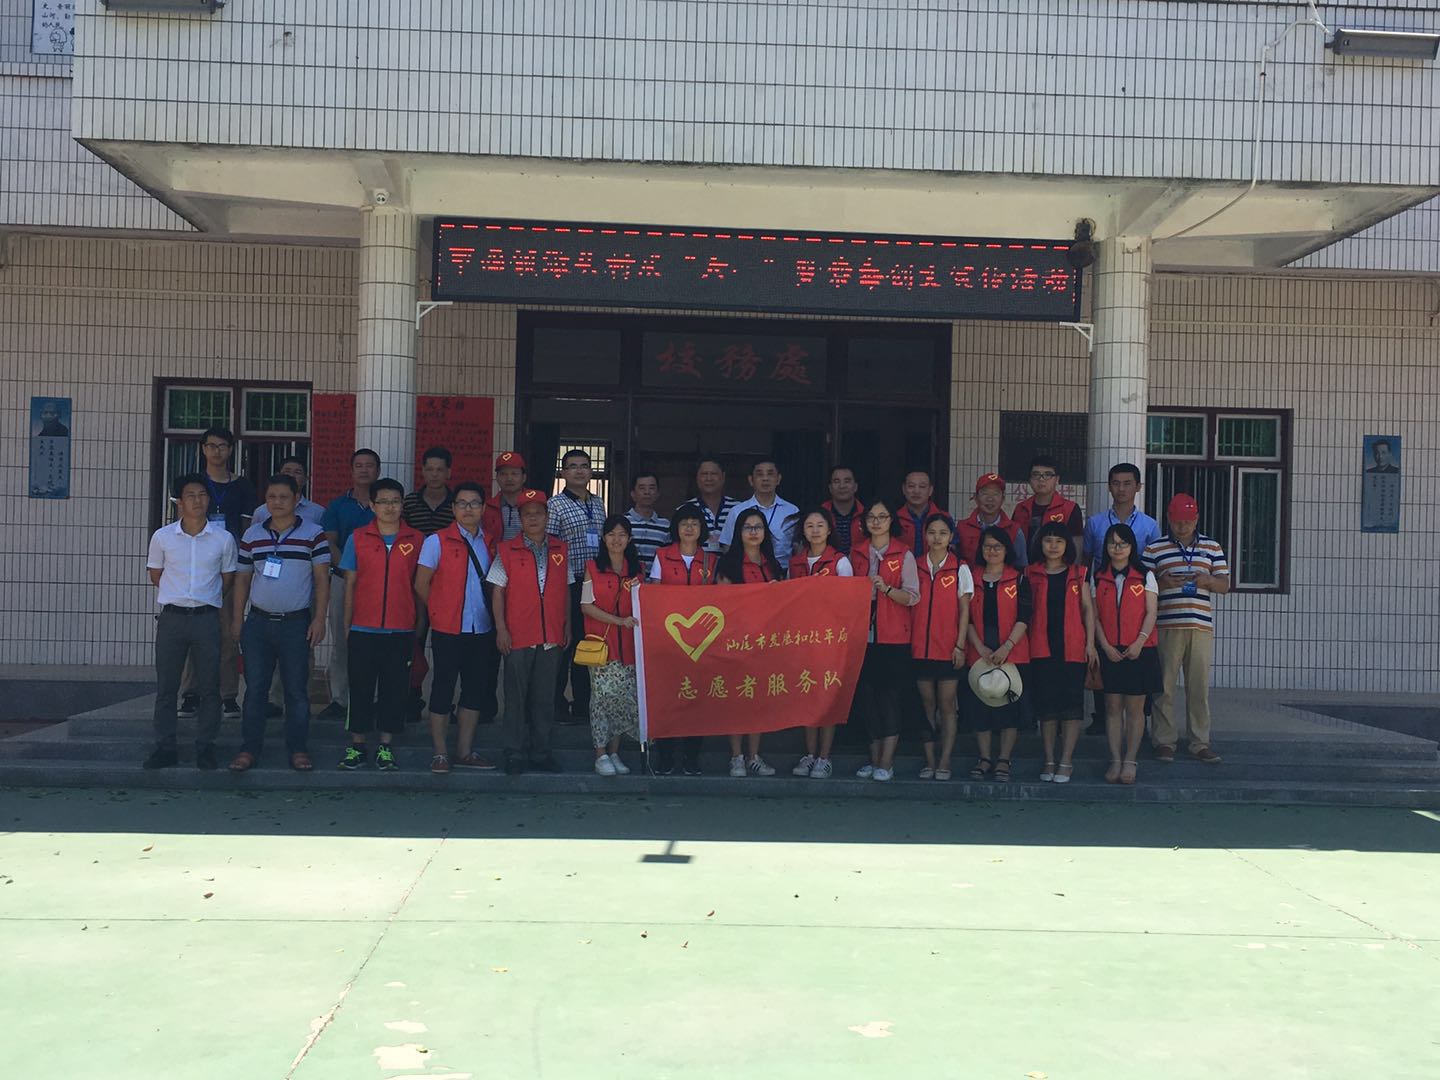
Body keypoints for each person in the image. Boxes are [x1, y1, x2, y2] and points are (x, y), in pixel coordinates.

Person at [228, 473, 330, 772]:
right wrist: (237, 620)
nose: (277, 502)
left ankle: (298, 749)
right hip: (258, 623)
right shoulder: (252, 535)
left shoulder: (314, 533)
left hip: (295, 624)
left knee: (296, 691)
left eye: (284, 497)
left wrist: (319, 619)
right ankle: (249, 749)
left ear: (297, 499)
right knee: (255, 691)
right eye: (271, 497)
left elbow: (322, 580)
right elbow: (242, 580)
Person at [143, 473, 238, 770]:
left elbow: (227, 579)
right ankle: (165, 746)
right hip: (172, 618)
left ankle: (206, 746)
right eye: (191, 495)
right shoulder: (162, 537)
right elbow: (156, 576)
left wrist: (204, 598)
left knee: (210, 687)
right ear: (179, 502)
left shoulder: (223, 539)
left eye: (202, 495)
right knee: (167, 687)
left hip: (207, 618)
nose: (197, 501)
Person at [337, 478, 424, 771]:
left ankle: (385, 746)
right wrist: (347, 624)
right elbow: (350, 585)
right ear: (372, 506)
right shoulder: (358, 538)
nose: (390, 507)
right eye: (383, 502)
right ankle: (357, 745)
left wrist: (419, 623)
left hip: (401, 628)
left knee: (394, 689)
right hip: (363, 628)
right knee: (360, 687)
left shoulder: (417, 539)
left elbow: (420, 587)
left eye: (395, 501)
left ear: (402, 505)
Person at [415, 481, 499, 774]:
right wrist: (438, 610)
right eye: (462, 503)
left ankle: (465, 751)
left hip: (482, 629)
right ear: (453, 508)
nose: (468, 509)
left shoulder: (490, 543)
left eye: (474, 503)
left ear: (483, 508)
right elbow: (421, 584)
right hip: (447, 629)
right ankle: (440, 753)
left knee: (474, 691)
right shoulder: (436, 541)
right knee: (443, 688)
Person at [488, 489, 571, 774]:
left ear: (547, 517)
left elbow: (566, 591)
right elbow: (497, 592)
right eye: (527, 514)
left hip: (551, 635)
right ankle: (513, 752)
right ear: (520, 519)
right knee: (516, 697)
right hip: (518, 634)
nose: (533, 518)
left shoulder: (561, 549)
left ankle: (540, 752)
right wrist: (501, 629)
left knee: (545, 698)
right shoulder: (506, 550)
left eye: (538, 513)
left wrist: (567, 625)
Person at [1144, 494, 1230, 765]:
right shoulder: (1154, 549)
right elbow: (1142, 588)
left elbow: (1225, 585)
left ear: (1197, 519)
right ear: (1169, 519)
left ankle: (1200, 741)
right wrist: (1162, 582)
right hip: (1166, 624)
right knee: (1164, 687)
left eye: (1189, 521)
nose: (1183, 526)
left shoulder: (1212, 547)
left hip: (1200, 625)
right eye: (1178, 521)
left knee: (1198, 687)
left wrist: (1208, 580)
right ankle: (1164, 741)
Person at [178, 427, 255, 719]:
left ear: (231, 450)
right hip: (197, 567)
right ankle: (191, 692)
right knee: (192, 632)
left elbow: (246, 529)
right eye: (211, 446)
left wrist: (242, 564)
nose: (217, 451)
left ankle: (228, 695)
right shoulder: (193, 483)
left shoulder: (243, 486)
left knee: (228, 632)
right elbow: (181, 523)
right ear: (202, 449)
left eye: (222, 446)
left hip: (230, 567)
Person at [849, 497, 920, 782]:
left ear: (892, 521)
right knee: (866, 698)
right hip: (862, 636)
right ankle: (874, 758)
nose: (876, 522)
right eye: (871, 517)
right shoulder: (856, 553)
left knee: (888, 698)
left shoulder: (904, 554)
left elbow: (913, 597)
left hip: (893, 636)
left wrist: (887, 589)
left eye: (882, 516)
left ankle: (887, 762)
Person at [716, 507, 786, 777]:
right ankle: (736, 757)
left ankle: (754, 756)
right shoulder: (728, 564)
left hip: (766, 641)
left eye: (758, 527)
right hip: (736, 640)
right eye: (748, 527)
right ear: (739, 532)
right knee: (736, 699)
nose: (753, 532)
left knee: (758, 699)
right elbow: (723, 603)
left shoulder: (773, 565)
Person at [648, 504, 717, 776]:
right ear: (676, 528)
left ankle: (691, 757)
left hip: (702, 643)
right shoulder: (662, 556)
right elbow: (653, 596)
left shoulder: (711, 561)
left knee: (696, 699)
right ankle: (665, 756)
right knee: (666, 697)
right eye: (684, 523)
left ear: (702, 529)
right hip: (667, 639)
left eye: (695, 523)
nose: (689, 528)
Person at [786, 507, 855, 779]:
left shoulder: (840, 562)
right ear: (803, 531)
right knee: (808, 696)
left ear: (829, 530)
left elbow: (848, 602)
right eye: (809, 526)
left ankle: (824, 758)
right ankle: (809, 754)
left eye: (820, 525)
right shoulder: (795, 563)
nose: (815, 530)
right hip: (803, 639)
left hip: (830, 640)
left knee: (827, 699)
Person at [1025, 522, 1096, 784]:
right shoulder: (1030, 573)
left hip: (1073, 647)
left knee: (1071, 708)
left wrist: (1090, 644)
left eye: (1059, 541)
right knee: (1047, 708)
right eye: (1048, 540)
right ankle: (1049, 759)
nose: (1053, 546)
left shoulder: (1079, 573)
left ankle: (1066, 761)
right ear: (1040, 544)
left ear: (1067, 545)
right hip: (1040, 647)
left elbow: (1087, 609)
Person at [1092, 522, 1161, 785]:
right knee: (1111, 707)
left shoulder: (1145, 576)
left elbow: (1151, 612)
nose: (1117, 548)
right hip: (1109, 650)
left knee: (1135, 708)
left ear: (1132, 547)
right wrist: (1105, 646)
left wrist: (1139, 642)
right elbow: (1094, 616)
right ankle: (1115, 759)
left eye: (1122, 543)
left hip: (1140, 650)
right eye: (1112, 543)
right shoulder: (1097, 576)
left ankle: (1131, 759)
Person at [962, 526, 1032, 783]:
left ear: (1006, 550)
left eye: (997, 546)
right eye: (987, 546)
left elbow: (1024, 617)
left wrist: (1006, 647)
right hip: (978, 648)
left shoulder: (1019, 578)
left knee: (1008, 708)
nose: (992, 551)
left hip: (1011, 649)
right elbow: (965, 616)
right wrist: (979, 647)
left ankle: (1003, 758)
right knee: (980, 706)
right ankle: (984, 758)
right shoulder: (971, 577)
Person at [911, 513, 972, 782]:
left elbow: (965, 611)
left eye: (943, 533)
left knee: (947, 704)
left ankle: (945, 760)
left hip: (949, 649)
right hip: (920, 649)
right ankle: (929, 761)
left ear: (951, 537)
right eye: (932, 532)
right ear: (924, 535)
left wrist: (960, 645)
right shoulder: (914, 566)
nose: (937, 538)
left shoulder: (960, 568)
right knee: (926, 705)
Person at [319, 448, 379, 721]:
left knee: (375, 642)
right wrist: (348, 568)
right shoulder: (337, 506)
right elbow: (330, 542)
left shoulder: (384, 503)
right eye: (359, 465)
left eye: (369, 465)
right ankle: (340, 699)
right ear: (351, 470)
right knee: (342, 641)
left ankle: (373, 699)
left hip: (377, 583)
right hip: (343, 579)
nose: (364, 470)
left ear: (377, 470)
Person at [580, 515, 643, 776]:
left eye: (622, 534)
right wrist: (618, 621)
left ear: (629, 539)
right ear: (603, 538)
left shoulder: (636, 571)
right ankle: (600, 753)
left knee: (622, 700)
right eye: (611, 534)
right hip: (601, 646)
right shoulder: (593, 567)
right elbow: (586, 605)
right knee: (601, 699)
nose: (617, 539)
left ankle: (614, 752)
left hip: (629, 646)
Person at [548, 448, 605, 725]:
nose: (579, 471)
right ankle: (556, 704)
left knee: (588, 642)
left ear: (591, 471)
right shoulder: (555, 505)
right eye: (573, 466)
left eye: (584, 465)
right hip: (567, 583)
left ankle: (583, 703)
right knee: (565, 643)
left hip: (593, 585)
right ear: (564, 472)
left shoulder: (599, 503)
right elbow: (548, 544)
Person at [1082, 462, 1160, 572]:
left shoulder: (1150, 525)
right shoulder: (1094, 523)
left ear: (1138, 487)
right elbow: (1086, 560)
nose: (1121, 489)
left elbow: (1155, 562)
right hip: (1102, 581)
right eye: (1116, 483)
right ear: (1109, 487)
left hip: (1138, 582)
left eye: (1127, 484)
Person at [718, 459, 799, 559]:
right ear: (751, 480)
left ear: (778, 479)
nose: (765, 479)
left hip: (783, 567)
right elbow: (727, 546)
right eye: (760, 474)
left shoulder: (792, 511)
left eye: (770, 474)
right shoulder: (737, 511)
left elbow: (798, 548)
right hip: (746, 567)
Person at [1013, 455, 1084, 556]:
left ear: (1057, 479)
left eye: (1048, 474)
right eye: (1036, 474)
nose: (1041, 479)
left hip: (1058, 565)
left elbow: (1077, 548)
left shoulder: (1070, 509)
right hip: (1025, 565)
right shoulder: (1021, 508)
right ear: (1030, 479)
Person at [955, 472, 1027, 568]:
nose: (990, 499)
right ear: (976, 498)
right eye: (985, 493)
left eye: (995, 494)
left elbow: (1021, 566)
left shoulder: (1014, 530)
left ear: (1003, 498)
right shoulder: (962, 528)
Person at [682, 458, 737, 555]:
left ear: (723, 477)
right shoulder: (684, 509)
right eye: (704, 474)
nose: (709, 478)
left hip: (731, 563)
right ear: (697, 478)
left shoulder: (737, 508)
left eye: (714, 474)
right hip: (696, 563)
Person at [252, 455, 325, 528]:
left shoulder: (318, 512)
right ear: (278, 475)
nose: (292, 476)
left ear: (306, 479)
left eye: (297, 472)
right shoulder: (261, 512)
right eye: (287, 471)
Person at [402, 446, 456, 535]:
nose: (434, 474)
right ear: (423, 471)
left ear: (448, 473)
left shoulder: (457, 503)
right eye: (430, 469)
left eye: (440, 470)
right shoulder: (409, 502)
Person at [625, 472, 670, 576]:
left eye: (651, 488)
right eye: (642, 488)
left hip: (656, 583)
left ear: (658, 494)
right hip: (628, 581)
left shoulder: (666, 525)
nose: (647, 492)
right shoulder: (623, 522)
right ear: (633, 494)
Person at [894, 470, 946, 557]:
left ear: (930, 490)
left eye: (922, 486)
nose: (916, 491)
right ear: (904, 489)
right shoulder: (893, 518)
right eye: (911, 486)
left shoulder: (944, 518)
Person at [483, 451, 528, 544]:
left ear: (524, 478)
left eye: (514, 474)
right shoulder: (487, 508)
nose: (509, 478)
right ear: (497, 478)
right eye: (503, 474)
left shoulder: (534, 505)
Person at [821, 464, 866, 556]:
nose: (842, 486)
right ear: (830, 488)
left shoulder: (867, 514)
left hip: (861, 563)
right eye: (836, 481)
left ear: (855, 487)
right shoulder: (820, 514)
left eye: (847, 481)